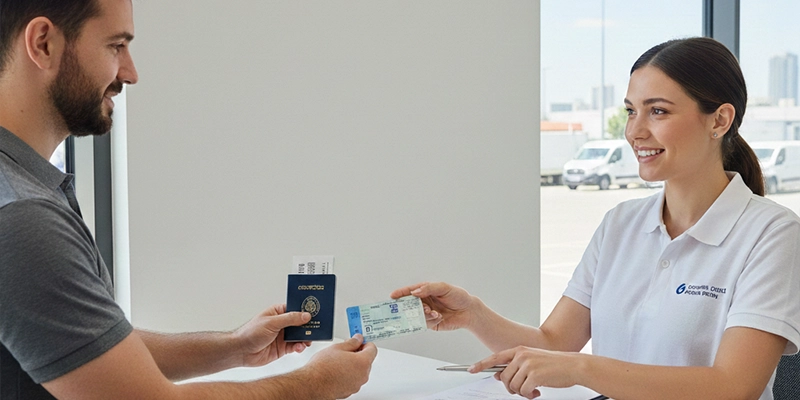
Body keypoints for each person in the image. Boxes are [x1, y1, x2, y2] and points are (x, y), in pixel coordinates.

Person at [0, 0, 376, 399]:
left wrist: (235, 346)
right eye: (115, 46)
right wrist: (316, 384)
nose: (131, 73)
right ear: (43, 43)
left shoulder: (22, 189)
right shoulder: (22, 217)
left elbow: (87, 349)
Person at [393, 37, 800, 400]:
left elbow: (734, 386)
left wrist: (583, 370)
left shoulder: (771, 233)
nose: (635, 131)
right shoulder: (619, 224)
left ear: (720, 120)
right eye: (630, 111)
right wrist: (475, 314)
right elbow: (555, 342)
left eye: (657, 111)